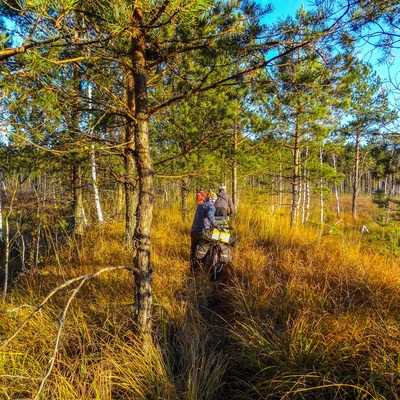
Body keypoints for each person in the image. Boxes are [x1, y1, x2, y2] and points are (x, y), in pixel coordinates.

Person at [190, 191, 219, 261]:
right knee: (204, 251)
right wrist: (215, 225)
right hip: (203, 232)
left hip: (193, 231)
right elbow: (210, 214)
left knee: (193, 251)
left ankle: (192, 268)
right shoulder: (211, 207)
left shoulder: (200, 206)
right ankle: (202, 267)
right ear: (213, 200)